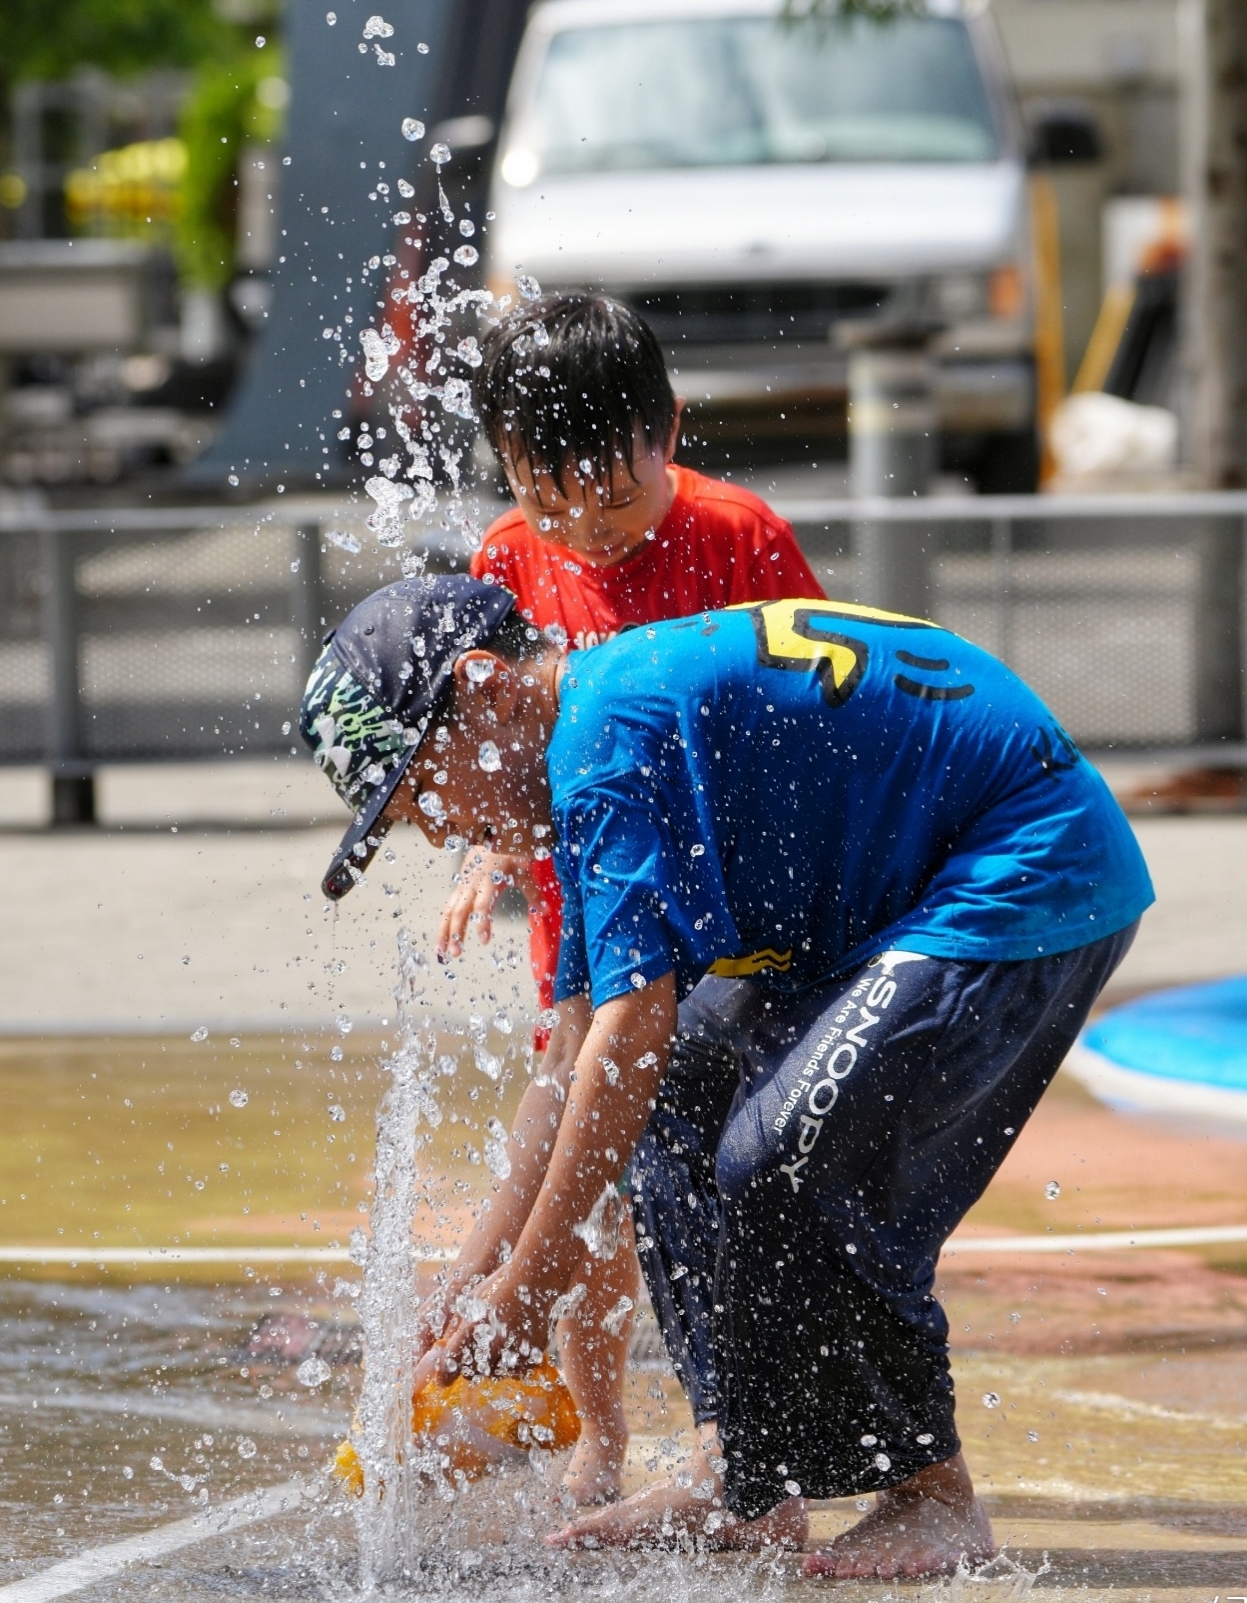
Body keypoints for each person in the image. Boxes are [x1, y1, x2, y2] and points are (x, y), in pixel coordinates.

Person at [301, 574, 1154, 1576]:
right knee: (676, 1101)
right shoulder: (580, 751)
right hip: (902, 896)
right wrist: (474, 1280)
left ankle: (931, 1493)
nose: (441, 833)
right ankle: (743, 1480)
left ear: (485, 686)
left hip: (1020, 863)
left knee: (783, 1154)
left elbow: (629, 1030)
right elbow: (574, 1057)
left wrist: (529, 1296)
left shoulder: (597, 743)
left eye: (423, 788)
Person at [433, 290, 822, 1503]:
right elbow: (492, 737)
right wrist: (486, 854)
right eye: (549, 496)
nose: (582, 529)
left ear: (672, 427)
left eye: (609, 492)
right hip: (586, 911)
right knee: (582, 1173)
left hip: (734, 910)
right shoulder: (507, 554)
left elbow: (812, 712)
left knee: (716, 1169)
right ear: (508, 468)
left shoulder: (737, 533)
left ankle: (738, 1444)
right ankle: (596, 1430)